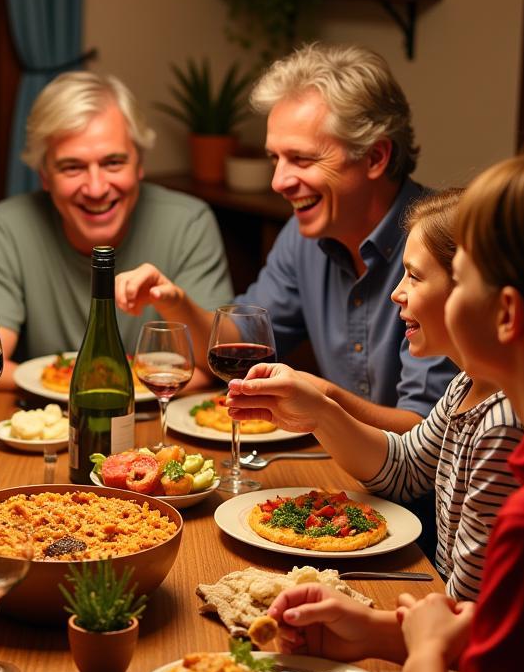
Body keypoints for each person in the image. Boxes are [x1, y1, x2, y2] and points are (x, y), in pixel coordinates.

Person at [262, 145, 524, 672]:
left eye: (461, 272)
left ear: (507, 314)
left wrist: (420, 658)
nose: (399, 296)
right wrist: (382, 632)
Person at [116, 44, 457, 434]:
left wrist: (321, 400)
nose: (278, 182)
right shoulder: (303, 235)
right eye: (275, 158)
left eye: (303, 159)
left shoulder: (444, 245)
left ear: (376, 157)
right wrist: (173, 301)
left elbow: (428, 435)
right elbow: (237, 343)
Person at [227, 189, 523, 600]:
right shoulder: (466, 386)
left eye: (415, 276)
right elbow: (402, 469)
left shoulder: (502, 425)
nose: (396, 293)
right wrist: (319, 413)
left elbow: (468, 609)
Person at [0, 70, 232, 386]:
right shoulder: (6, 228)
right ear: (44, 175)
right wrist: (87, 388)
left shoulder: (188, 223)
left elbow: (215, 362)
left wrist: (172, 300)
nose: (96, 188)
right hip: (50, 423)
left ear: (139, 164)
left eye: (113, 163)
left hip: (158, 420)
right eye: (72, 167)